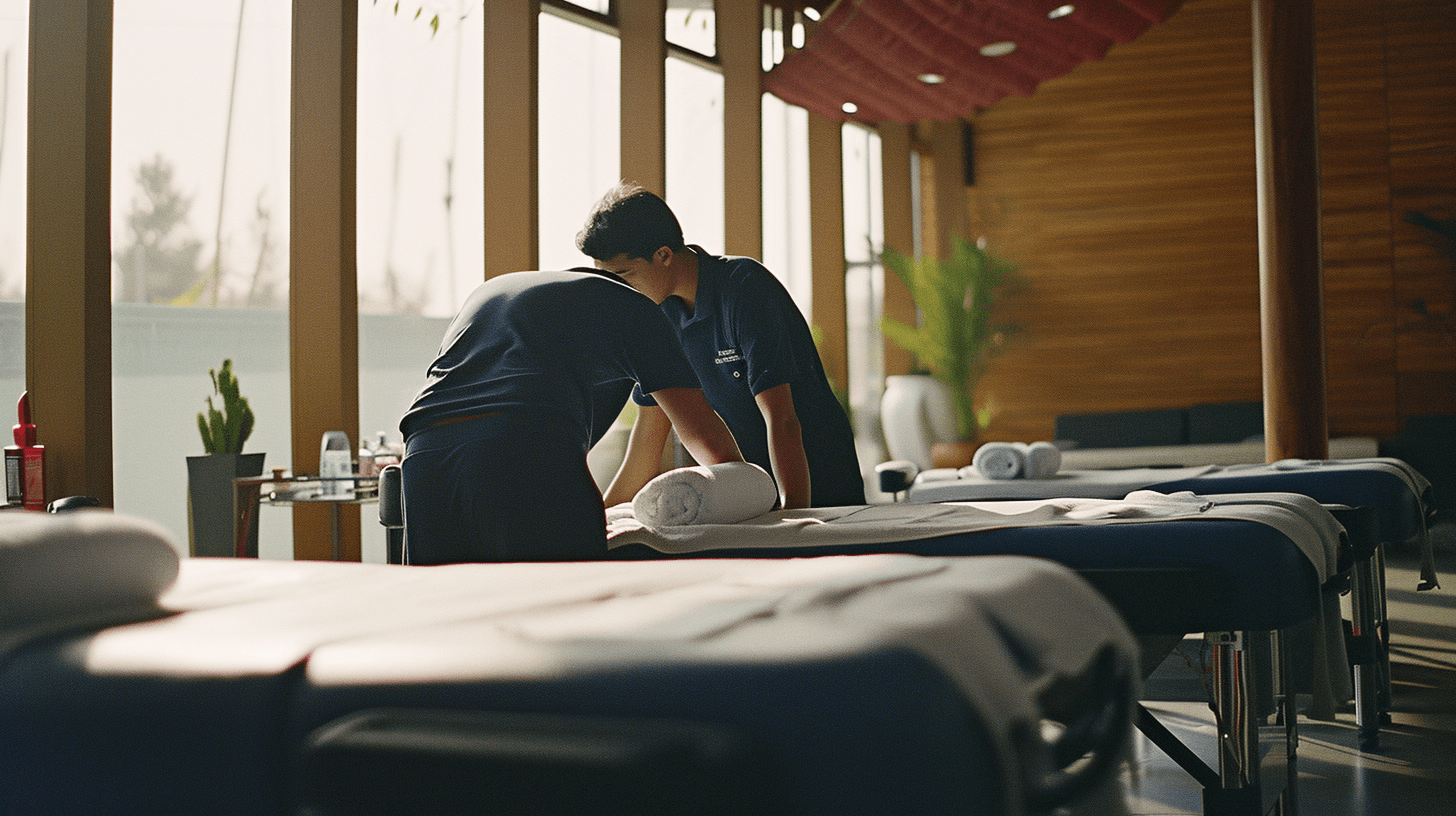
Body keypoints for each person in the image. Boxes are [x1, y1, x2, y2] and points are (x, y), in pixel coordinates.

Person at [398, 268, 743, 564]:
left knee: (448, 616)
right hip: (517, 447)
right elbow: (705, 436)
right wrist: (746, 488)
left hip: (423, 454)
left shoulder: (494, 293)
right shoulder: (635, 306)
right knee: (567, 607)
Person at [577, 183, 864, 510]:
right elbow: (646, 442)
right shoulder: (655, 318)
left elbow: (782, 419)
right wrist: (599, 524)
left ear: (664, 256)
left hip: (818, 486)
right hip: (752, 495)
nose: (618, 291)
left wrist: (793, 517)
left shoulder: (745, 288)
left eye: (624, 275)